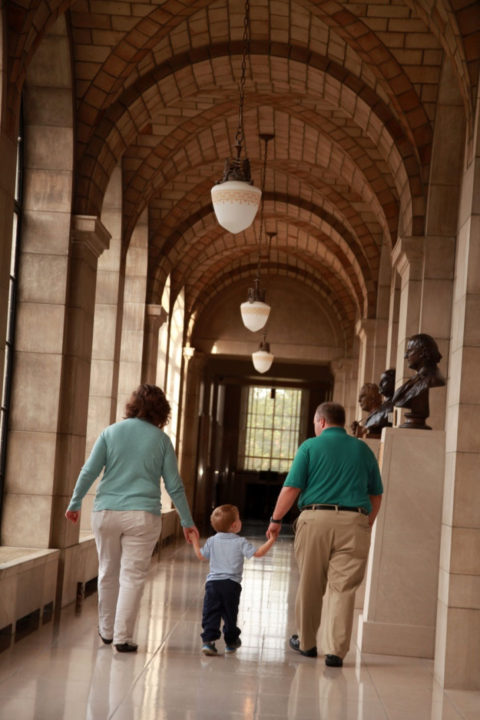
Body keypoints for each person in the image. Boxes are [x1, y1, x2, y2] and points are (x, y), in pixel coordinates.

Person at [65, 384, 199, 653]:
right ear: (162, 412)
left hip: (106, 512)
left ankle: (106, 630)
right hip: (142, 516)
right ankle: (123, 637)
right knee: (132, 576)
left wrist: (75, 501)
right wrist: (187, 521)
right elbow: (174, 486)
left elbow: (89, 470)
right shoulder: (161, 441)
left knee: (107, 571)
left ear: (132, 405)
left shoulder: (111, 432)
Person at [266, 401, 383, 667]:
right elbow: (376, 494)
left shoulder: (310, 446)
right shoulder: (363, 449)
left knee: (310, 583)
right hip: (355, 521)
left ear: (321, 422)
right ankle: (335, 652)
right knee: (343, 588)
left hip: (315, 520)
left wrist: (276, 519)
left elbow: (292, 488)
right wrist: (367, 523)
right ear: (342, 422)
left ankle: (307, 644)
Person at [191, 504, 276, 656]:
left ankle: (208, 642)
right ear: (234, 525)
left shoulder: (211, 541)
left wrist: (194, 540)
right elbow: (258, 553)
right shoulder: (240, 541)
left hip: (213, 585)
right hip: (231, 585)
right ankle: (231, 642)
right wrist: (272, 540)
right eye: (239, 519)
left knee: (211, 612)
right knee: (230, 614)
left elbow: (201, 555)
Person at [392, 333, 445, 429]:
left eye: (409, 351)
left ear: (422, 352)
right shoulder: (415, 379)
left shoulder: (433, 379)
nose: (405, 356)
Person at [363, 369, 396, 437]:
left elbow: (390, 424)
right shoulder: (381, 407)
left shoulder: (391, 407)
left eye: (384, 381)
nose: (380, 384)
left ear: (393, 382)